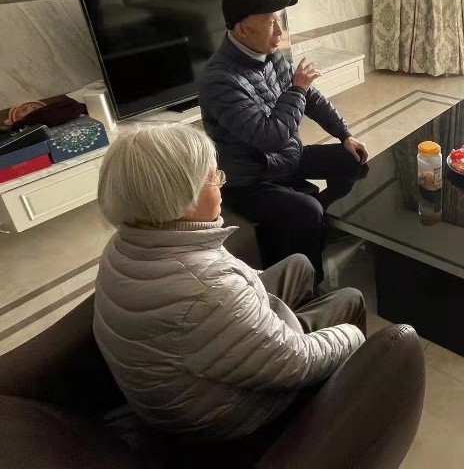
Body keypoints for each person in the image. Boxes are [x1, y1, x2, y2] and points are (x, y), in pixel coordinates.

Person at [92, 124, 366, 440]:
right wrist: (353, 336)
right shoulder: (210, 289)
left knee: (299, 266)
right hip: (227, 412)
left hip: (192, 370)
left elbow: (221, 289)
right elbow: (298, 361)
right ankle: (348, 418)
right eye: (213, 177)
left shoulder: (128, 241)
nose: (222, 182)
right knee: (349, 301)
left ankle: (291, 335)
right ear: (181, 197)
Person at [199, 0, 369, 283]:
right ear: (242, 30)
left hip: (287, 159)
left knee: (354, 160)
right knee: (306, 209)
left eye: (279, 21)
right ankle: (308, 285)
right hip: (250, 178)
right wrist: (297, 89)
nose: (279, 32)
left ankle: (320, 226)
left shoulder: (271, 53)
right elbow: (269, 136)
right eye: (270, 24)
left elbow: (311, 99)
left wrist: (345, 135)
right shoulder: (219, 80)